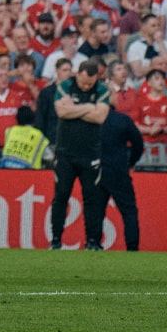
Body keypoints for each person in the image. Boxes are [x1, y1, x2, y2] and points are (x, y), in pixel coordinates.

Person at [50, 58, 109, 249]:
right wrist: (88, 107)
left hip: (90, 154)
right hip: (65, 153)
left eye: (89, 84)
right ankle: (56, 240)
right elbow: (61, 112)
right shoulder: (65, 85)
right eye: (83, 82)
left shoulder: (102, 89)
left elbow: (100, 116)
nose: (85, 87)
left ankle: (92, 241)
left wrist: (74, 108)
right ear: (77, 74)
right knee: (61, 196)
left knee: (93, 199)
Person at [92, 93, 144, 251]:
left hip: (96, 169)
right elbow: (138, 143)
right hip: (118, 169)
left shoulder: (91, 120)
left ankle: (93, 243)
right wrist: (131, 161)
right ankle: (132, 247)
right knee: (129, 211)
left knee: (96, 210)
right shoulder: (122, 120)